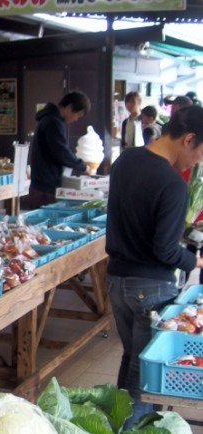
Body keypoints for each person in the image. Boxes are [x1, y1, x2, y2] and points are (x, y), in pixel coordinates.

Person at [106, 105, 203, 428]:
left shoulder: (125, 161)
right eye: (202, 152)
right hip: (150, 286)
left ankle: (117, 424)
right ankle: (131, 428)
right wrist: (193, 260)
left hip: (118, 281)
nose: (199, 161)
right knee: (142, 380)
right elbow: (164, 249)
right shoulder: (173, 183)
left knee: (131, 361)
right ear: (189, 139)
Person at [28, 90, 91, 209]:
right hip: (45, 187)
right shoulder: (53, 122)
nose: (76, 119)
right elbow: (61, 152)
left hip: (42, 184)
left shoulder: (51, 119)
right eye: (77, 114)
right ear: (70, 107)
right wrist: (82, 166)